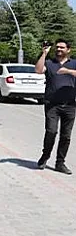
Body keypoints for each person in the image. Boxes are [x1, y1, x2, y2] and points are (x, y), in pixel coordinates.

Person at [36, 39, 76, 174]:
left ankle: (60, 163)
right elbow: (38, 70)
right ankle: (45, 156)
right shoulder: (49, 63)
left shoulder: (74, 63)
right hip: (52, 105)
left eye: (62, 47)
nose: (59, 49)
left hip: (70, 105)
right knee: (51, 132)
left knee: (66, 136)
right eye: (57, 47)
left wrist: (69, 72)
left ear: (68, 50)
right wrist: (44, 53)